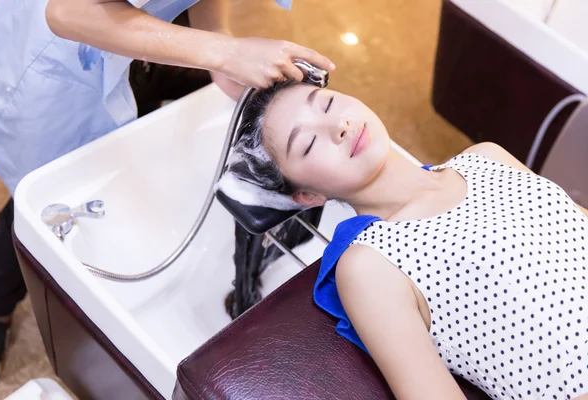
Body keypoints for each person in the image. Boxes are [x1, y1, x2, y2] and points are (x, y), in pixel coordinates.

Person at [0, 0, 335, 387]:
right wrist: (225, 51)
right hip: (63, 59)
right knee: (58, 198)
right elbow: (68, 11)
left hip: (152, 45)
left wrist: (216, 37)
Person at [225, 80, 588, 400]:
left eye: (329, 103)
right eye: (307, 143)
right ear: (307, 196)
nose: (339, 125)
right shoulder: (371, 265)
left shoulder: (486, 156)